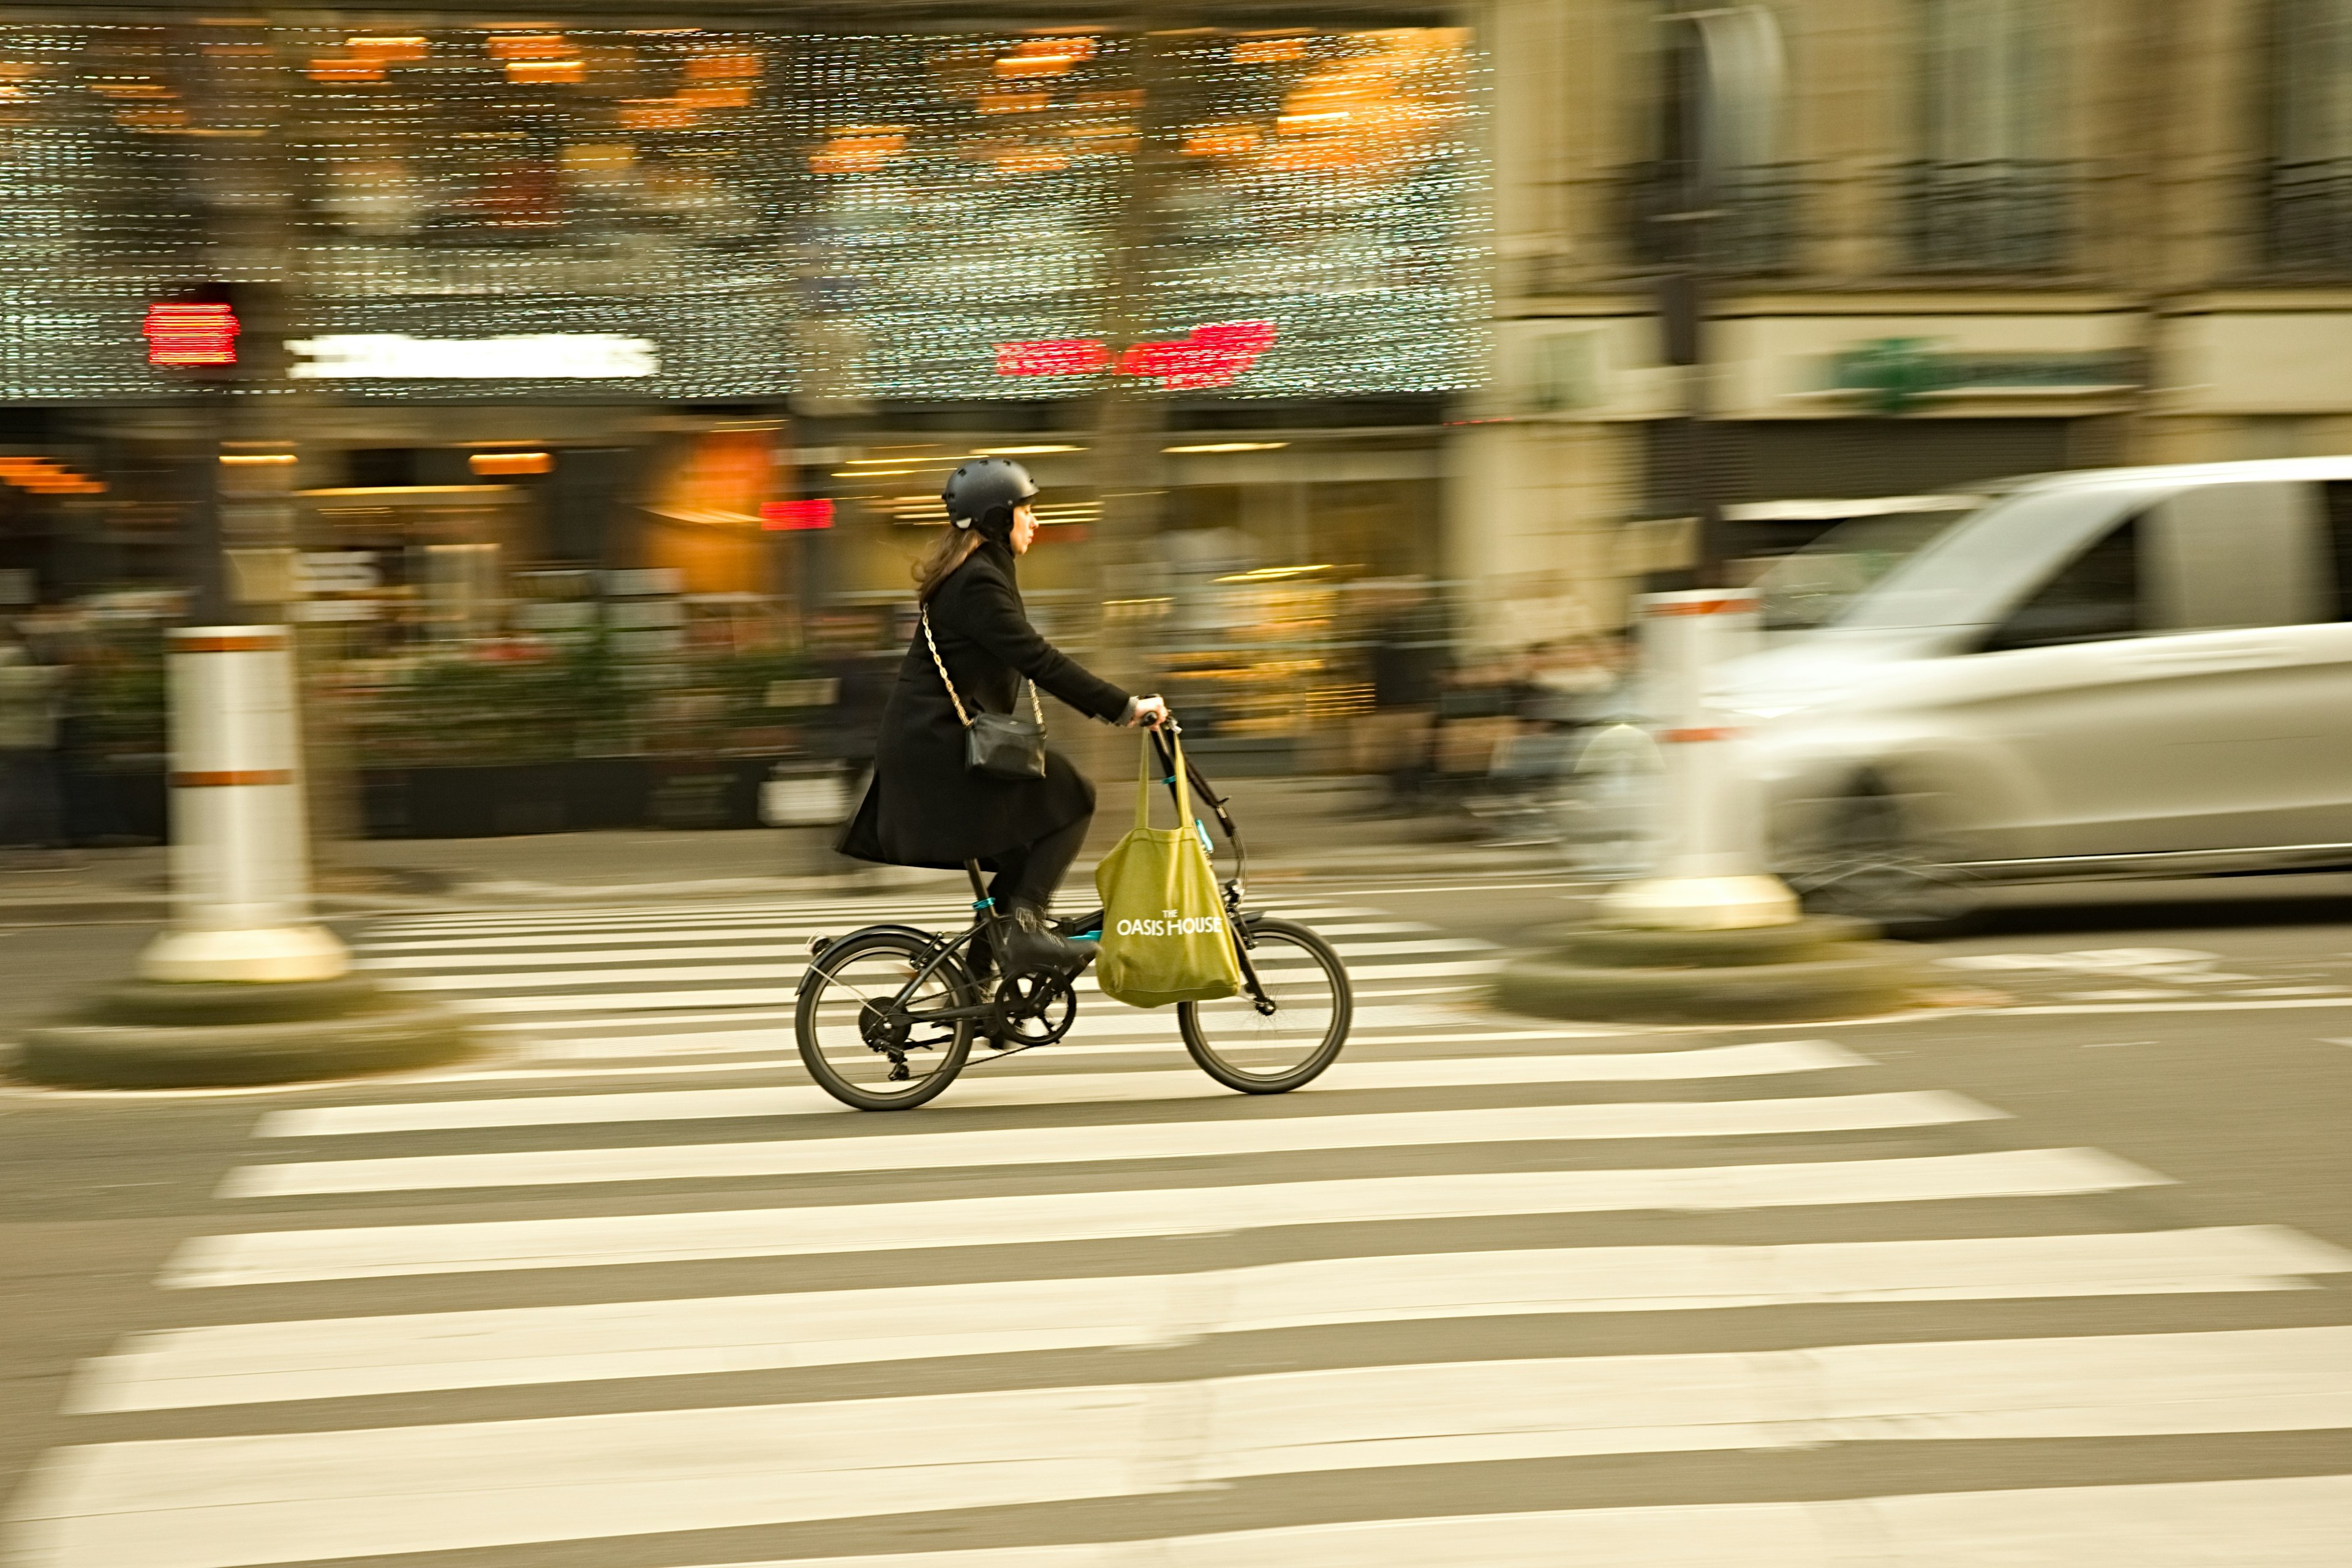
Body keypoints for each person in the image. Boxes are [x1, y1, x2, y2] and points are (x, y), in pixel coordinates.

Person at [839, 458, 1167, 976]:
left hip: (940, 745)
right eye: (1025, 510)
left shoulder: (980, 574)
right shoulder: (976, 583)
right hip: (937, 752)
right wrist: (1125, 707)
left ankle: (979, 979)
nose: (1034, 522)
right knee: (1072, 794)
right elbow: (1038, 658)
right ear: (996, 519)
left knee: (1025, 838)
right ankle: (1026, 933)